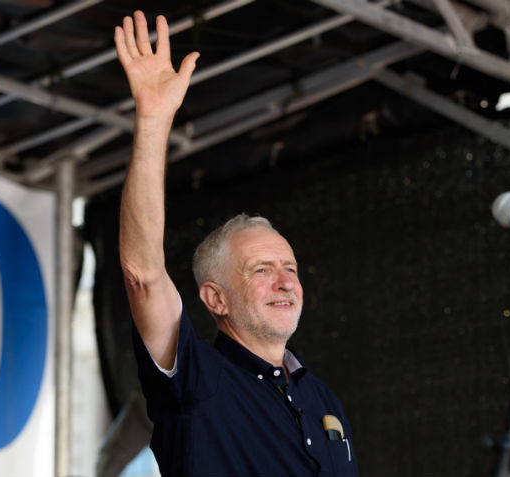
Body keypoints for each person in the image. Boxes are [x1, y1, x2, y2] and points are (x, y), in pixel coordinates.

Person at [114, 11, 358, 476]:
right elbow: (142, 275)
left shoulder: (321, 398)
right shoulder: (197, 377)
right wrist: (153, 118)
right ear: (215, 298)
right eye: (261, 270)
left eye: (291, 268)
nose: (286, 282)